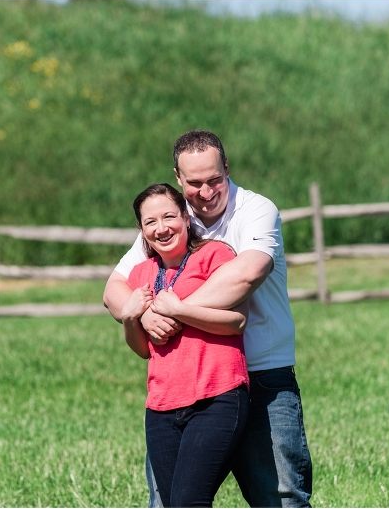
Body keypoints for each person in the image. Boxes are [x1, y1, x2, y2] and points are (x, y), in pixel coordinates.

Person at [104, 130, 313, 507]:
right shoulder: (172, 219)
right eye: (194, 183)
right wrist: (144, 315)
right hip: (187, 382)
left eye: (214, 179)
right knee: (171, 502)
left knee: (280, 498)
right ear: (179, 178)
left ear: (227, 168)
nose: (206, 191)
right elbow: (115, 289)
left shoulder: (255, 211)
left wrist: (174, 313)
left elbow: (246, 275)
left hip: (263, 375)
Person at [122, 182, 251, 508]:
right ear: (141, 230)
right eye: (150, 222)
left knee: (188, 500)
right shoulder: (140, 274)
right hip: (161, 408)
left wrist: (180, 310)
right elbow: (143, 349)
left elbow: (237, 321)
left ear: (186, 218)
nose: (161, 228)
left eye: (169, 217)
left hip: (217, 398)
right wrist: (129, 318)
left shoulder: (214, 255)